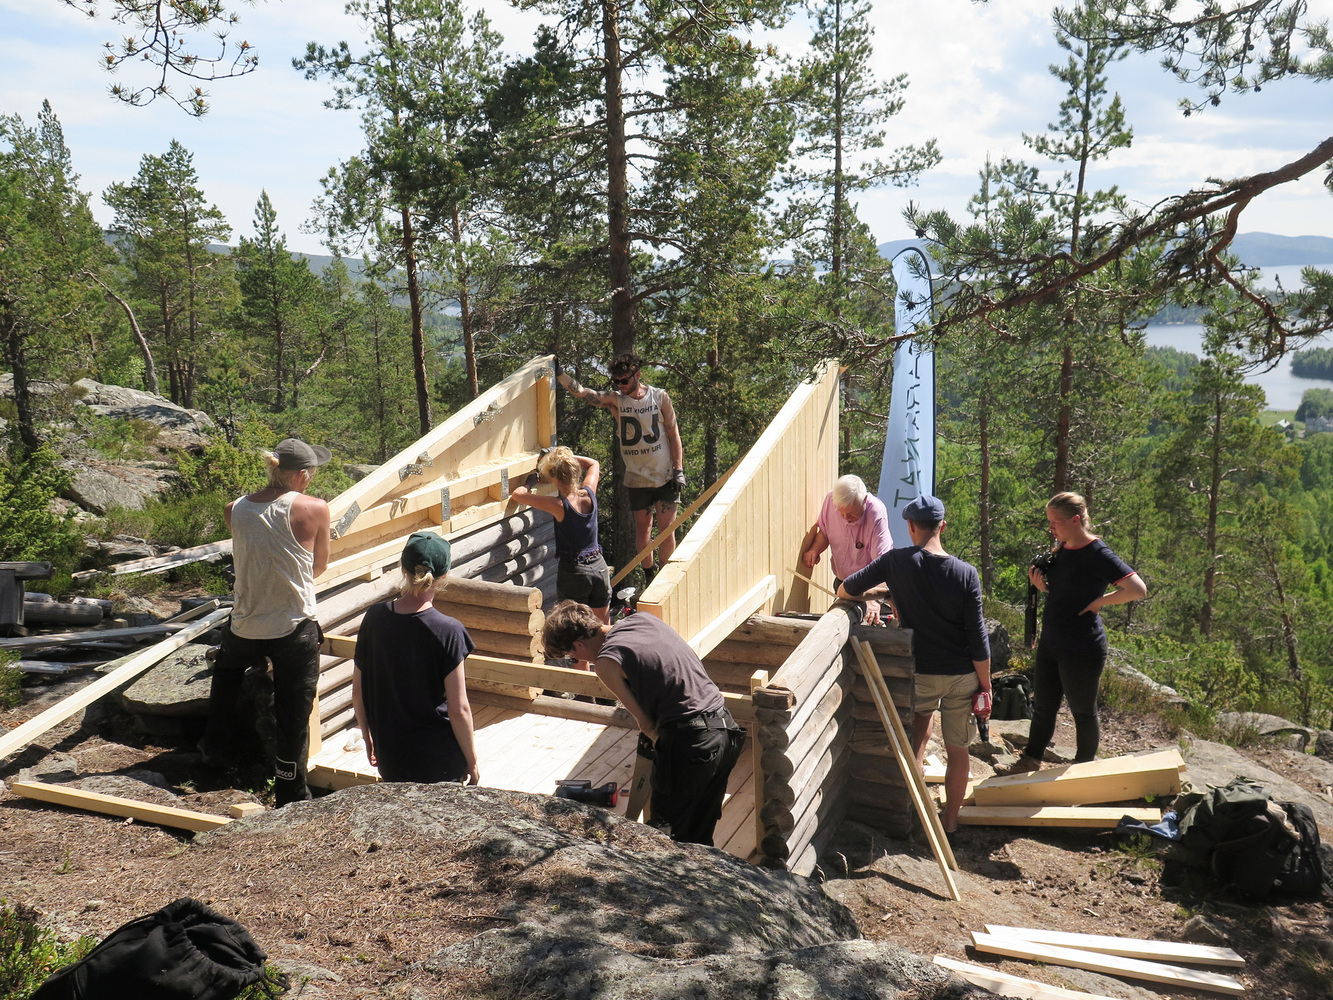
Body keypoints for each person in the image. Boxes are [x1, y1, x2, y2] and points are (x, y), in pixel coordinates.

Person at [837, 494, 991, 837]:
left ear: (909, 526)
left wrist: (879, 595)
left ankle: (915, 815)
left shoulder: (896, 562)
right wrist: (986, 685)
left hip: (919, 672)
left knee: (918, 742)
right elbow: (978, 637)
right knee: (958, 750)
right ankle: (950, 821)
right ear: (943, 526)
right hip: (961, 674)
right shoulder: (966, 573)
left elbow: (847, 589)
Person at [541, 601, 745, 845]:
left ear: (578, 645)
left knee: (667, 834)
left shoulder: (607, 662)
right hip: (726, 729)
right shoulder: (644, 620)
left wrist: (669, 750)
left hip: (693, 741)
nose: (575, 658)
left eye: (571, 655)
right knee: (700, 831)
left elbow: (646, 723)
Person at [200, 438, 332, 806]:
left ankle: (214, 757)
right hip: (294, 625)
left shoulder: (234, 509)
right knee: (294, 710)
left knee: (225, 682)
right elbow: (318, 566)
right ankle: (290, 789)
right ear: (302, 475)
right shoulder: (315, 508)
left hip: (244, 623)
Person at [1006, 492, 1148, 774]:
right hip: (1052, 641)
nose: (1051, 529)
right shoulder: (1061, 550)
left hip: (1083, 647)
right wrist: (1043, 586)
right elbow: (1064, 591)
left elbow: (1137, 589)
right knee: (1044, 706)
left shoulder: (1098, 553)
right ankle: (1030, 760)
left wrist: (1100, 602)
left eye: (1055, 522)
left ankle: (1083, 771)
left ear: (1075, 520)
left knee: (1083, 712)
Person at [351, 532, 480, 785]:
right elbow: (459, 709)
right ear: (444, 576)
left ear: (403, 568)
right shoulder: (448, 630)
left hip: (392, 758)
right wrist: (472, 761)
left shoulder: (374, 618)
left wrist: (368, 738)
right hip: (439, 762)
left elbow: (358, 692)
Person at [557, 353, 685, 586]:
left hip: (666, 475)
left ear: (637, 375)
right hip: (637, 480)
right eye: (616, 381)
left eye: (624, 380)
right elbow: (585, 393)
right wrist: (560, 374)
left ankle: (667, 580)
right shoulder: (616, 400)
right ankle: (649, 577)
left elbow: (673, 433)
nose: (620, 386)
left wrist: (679, 470)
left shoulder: (659, 397)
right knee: (643, 530)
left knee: (667, 530)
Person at [510, 447, 611, 627]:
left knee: (574, 630)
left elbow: (518, 495)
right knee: (602, 626)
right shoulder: (589, 493)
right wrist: (565, 457)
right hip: (599, 567)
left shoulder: (559, 505)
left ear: (555, 479)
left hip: (575, 573)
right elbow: (593, 463)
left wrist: (529, 483)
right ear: (575, 472)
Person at [800, 474, 893, 623]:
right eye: (840, 512)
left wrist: (873, 599)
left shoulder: (876, 514)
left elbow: (883, 565)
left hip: (868, 587)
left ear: (864, 501)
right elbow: (824, 532)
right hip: (841, 582)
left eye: (851, 513)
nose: (845, 518)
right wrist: (814, 550)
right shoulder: (830, 500)